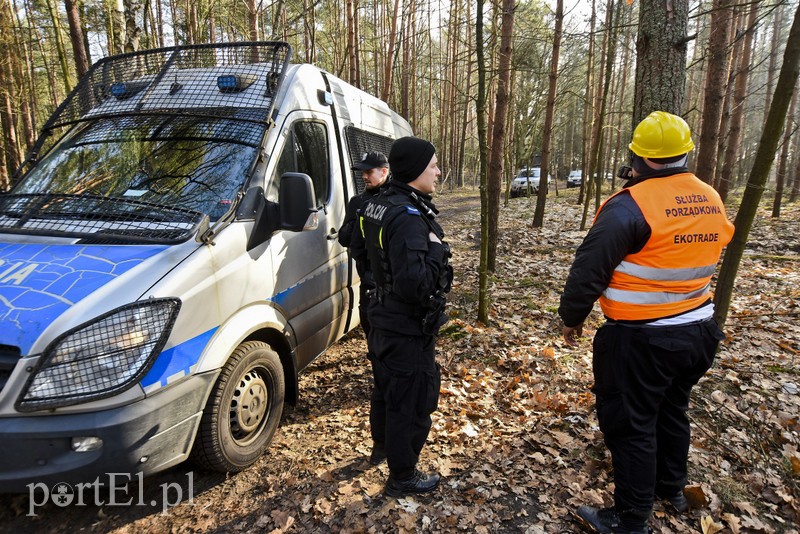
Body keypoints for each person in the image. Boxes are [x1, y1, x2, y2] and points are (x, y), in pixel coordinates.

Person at [559, 111, 735, 533]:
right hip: (698, 333)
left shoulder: (629, 206)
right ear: (685, 152)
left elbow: (589, 270)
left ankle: (630, 517)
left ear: (637, 155)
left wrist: (571, 318)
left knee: (631, 424)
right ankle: (670, 488)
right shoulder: (710, 196)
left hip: (642, 340)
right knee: (672, 411)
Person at [358, 136, 452, 497]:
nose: (438, 172)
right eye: (433, 166)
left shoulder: (377, 203)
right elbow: (418, 282)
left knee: (385, 388)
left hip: (379, 313)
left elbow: (364, 253)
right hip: (404, 323)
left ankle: (382, 448)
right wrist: (434, 248)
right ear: (415, 171)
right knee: (411, 401)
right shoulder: (410, 217)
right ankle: (403, 475)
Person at [338, 151, 391, 466]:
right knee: (377, 360)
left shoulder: (395, 200)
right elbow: (346, 238)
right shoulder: (357, 203)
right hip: (368, 293)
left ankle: (386, 443)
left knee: (389, 369)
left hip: (390, 295)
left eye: (369, 172)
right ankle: (380, 443)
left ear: (384, 171)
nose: (364, 176)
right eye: (362, 172)